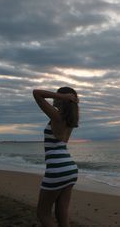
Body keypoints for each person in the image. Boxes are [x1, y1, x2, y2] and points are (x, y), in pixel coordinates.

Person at [33, 87, 79, 227]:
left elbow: (36, 93)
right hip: (70, 169)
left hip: (57, 170)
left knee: (43, 213)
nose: (54, 98)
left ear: (62, 99)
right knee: (62, 211)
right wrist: (67, 98)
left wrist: (64, 96)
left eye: (57, 95)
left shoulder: (57, 116)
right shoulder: (70, 120)